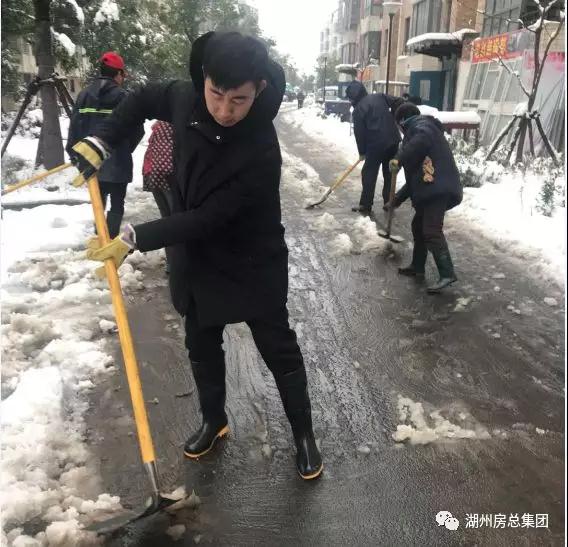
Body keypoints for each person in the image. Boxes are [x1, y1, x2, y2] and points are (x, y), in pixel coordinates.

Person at [70, 32, 323, 480]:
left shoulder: (261, 147)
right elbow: (141, 98)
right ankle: (213, 420)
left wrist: (135, 237)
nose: (224, 110)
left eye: (239, 100)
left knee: (278, 349)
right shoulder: (184, 98)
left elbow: (211, 217)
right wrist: (104, 140)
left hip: (251, 258)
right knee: (201, 343)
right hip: (197, 258)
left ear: (259, 89)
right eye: (216, 94)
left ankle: (304, 433)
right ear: (204, 78)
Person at [67, 52, 143, 238]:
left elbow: (74, 127)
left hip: (92, 163)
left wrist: (77, 155)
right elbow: (137, 130)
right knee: (117, 205)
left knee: (98, 203)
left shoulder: (84, 95)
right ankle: (110, 240)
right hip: (119, 163)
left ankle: (101, 239)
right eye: (123, 75)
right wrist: (124, 149)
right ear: (118, 74)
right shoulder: (124, 97)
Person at [389, 102, 462, 293]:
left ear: (402, 121)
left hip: (438, 189)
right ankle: (417, 266)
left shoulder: (422, 127)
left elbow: (419, 142)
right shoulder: (420, 133)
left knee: (431, 229)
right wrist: (397, 199)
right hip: (432, 188)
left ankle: (447, 273)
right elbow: (415, 178)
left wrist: (399, 158)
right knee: (418, 226)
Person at [345, 80, 403, 214]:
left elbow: (359, 134)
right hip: (393, 140)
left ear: (353, 97)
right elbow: (399, 101)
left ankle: (366, 205)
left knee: (369, 173)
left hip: (375, 145)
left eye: (349, 98)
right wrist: (395, 116)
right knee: (389, 173)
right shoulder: (379, 96)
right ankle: (389, 202)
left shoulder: (358, 110)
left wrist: (362, 152)